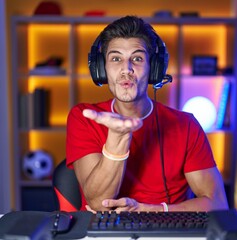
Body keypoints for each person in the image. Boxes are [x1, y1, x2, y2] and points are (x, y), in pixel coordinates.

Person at [66, 15, 228, 213]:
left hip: (167, 229)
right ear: (101, 69)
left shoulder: (186, 125)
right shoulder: (85, 116)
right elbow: (99, 203)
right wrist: (118, 137)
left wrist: (152, 210)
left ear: (154, 69)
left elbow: (217, 204)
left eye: (137, 58)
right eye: (116, 59)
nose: (126, 69)